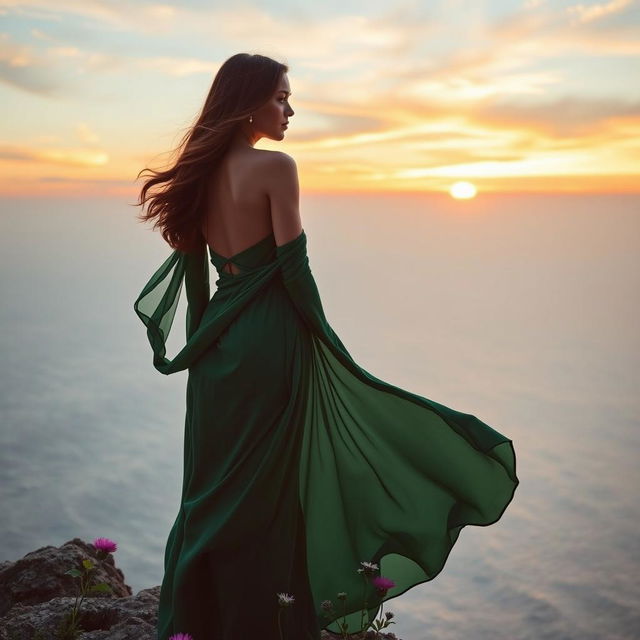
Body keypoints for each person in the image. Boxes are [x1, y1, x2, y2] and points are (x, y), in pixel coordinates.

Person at [134, 52, 519, 640]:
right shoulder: (276, 168)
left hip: (218, 348)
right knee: (268, 494)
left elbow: (196, 276)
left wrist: (200, 349)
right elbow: (294, 268)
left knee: (211, 490)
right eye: (282, 97)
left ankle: (200, 617)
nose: (291, 109)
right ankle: (266, 622)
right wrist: (330, 345)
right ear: (247, 104)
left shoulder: (198, 173)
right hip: (272, 339)